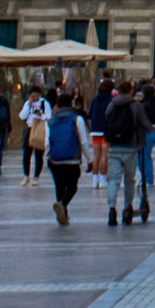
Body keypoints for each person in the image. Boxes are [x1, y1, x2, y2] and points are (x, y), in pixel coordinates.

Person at [103, 78, 145, 226]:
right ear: (131, 91)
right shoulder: (135, 106)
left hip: (114, 147)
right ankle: (127, 208)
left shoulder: (111, 105)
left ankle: (111, 209)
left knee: (113, 180)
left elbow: (106, 121)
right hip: (130, 147)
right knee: (129, 180)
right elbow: (144, 123)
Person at [45, 93, 93, 225]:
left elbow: (47, 142)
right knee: (72, 186)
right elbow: (83, 142)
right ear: (71, 104)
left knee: (59, 186)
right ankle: (63, 205)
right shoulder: (77, 119)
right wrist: (90, 160)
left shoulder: (51, 120)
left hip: (54, 160)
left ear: (57, 105)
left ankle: (63, 215)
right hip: (72, 159)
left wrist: (48, 155)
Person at [19, 87, 52, 187]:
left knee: (38, 154)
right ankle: (26, 175)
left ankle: (36, 177)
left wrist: (40, 114)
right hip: (30, 129)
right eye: (33, 96)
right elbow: (22, 116)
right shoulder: (27, 103)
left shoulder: (44, 104)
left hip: (40, 129)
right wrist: (28, 105)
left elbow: (48, 117)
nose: (35, 98)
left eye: (37, 96)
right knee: (26, 153)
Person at [87, 79, 114, 187]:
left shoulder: (95, 100)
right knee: (104, 156)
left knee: (96, 155)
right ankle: (103, 179)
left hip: (95, 130)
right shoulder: (110, 100)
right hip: (105, 130)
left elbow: (90, 114)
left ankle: (94, 180)